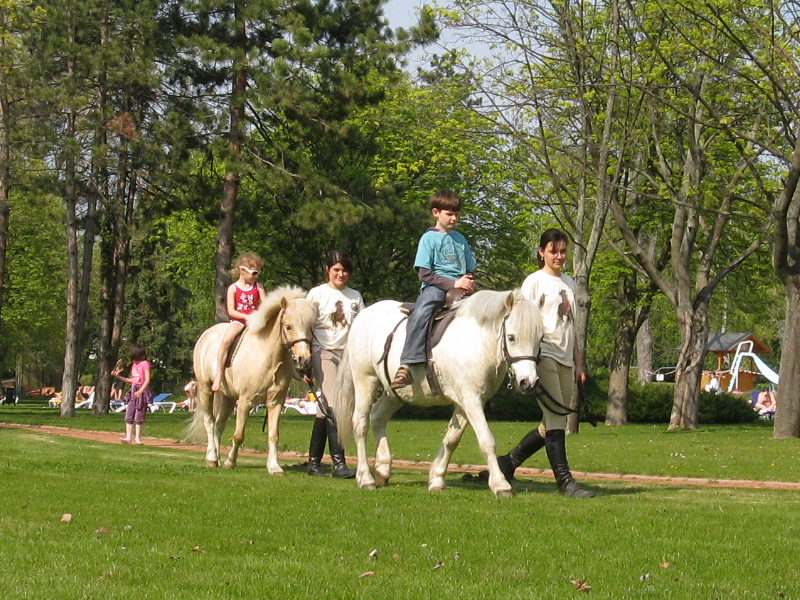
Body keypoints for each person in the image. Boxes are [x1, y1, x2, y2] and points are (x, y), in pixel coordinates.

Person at [485, 229, 594, 498]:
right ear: (541, 252)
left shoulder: (568, 282)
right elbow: (524, 324)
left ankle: (507, 463)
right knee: (558, 418)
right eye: (553, 250)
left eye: (563, 251)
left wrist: (579, 364)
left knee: (551, 422)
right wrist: (531, 359)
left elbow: (572, 328)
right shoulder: (533, 283)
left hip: (566, 358)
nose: (559, 256)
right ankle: (566, 483)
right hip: (544, 355)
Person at [390, 190, 476, 389]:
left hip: (461, 289)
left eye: (457, 214)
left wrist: (469, 280)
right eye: (449, 214)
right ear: (436, 212)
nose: (454, 218)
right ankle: (407, 364)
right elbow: (424, 273)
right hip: (435, 287)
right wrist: (452, 284)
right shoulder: (428, 239)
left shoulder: (461, 239)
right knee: (422, 311)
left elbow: (470, 268)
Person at [305, 250, 365, 478]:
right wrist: (306, 362)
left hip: (348, 356)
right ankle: (339, 463)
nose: (341, 274)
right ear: (328, 270)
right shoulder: (317, 294)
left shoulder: (355, 296)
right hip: (324, 352)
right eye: (337, 270)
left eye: (345, 270)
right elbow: (306, 328)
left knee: (325, 410)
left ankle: (314, 463)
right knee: (335, 404)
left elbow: (360, 327)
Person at [211, 253, 268, 392]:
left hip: (256, 321)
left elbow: (266, 304)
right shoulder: (233, 288)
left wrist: (261, 315)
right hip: (239, 321)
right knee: (226, 341)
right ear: (242, 271)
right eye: (254, 273)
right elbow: (231, 311)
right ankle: (219, 373)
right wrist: (246, 317)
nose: (257, 276)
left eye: (259, 272)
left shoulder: (258, 286)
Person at [113, 343, 154, 445]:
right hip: (133, 390)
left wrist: (141, 391)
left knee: (139, 414)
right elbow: (132, 380)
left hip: (141, 390)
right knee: (129, 414)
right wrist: (118, 377)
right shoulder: (134, 366)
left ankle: (138, 438)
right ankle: (128, 437)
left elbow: (147, 379)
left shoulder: (145, 364)